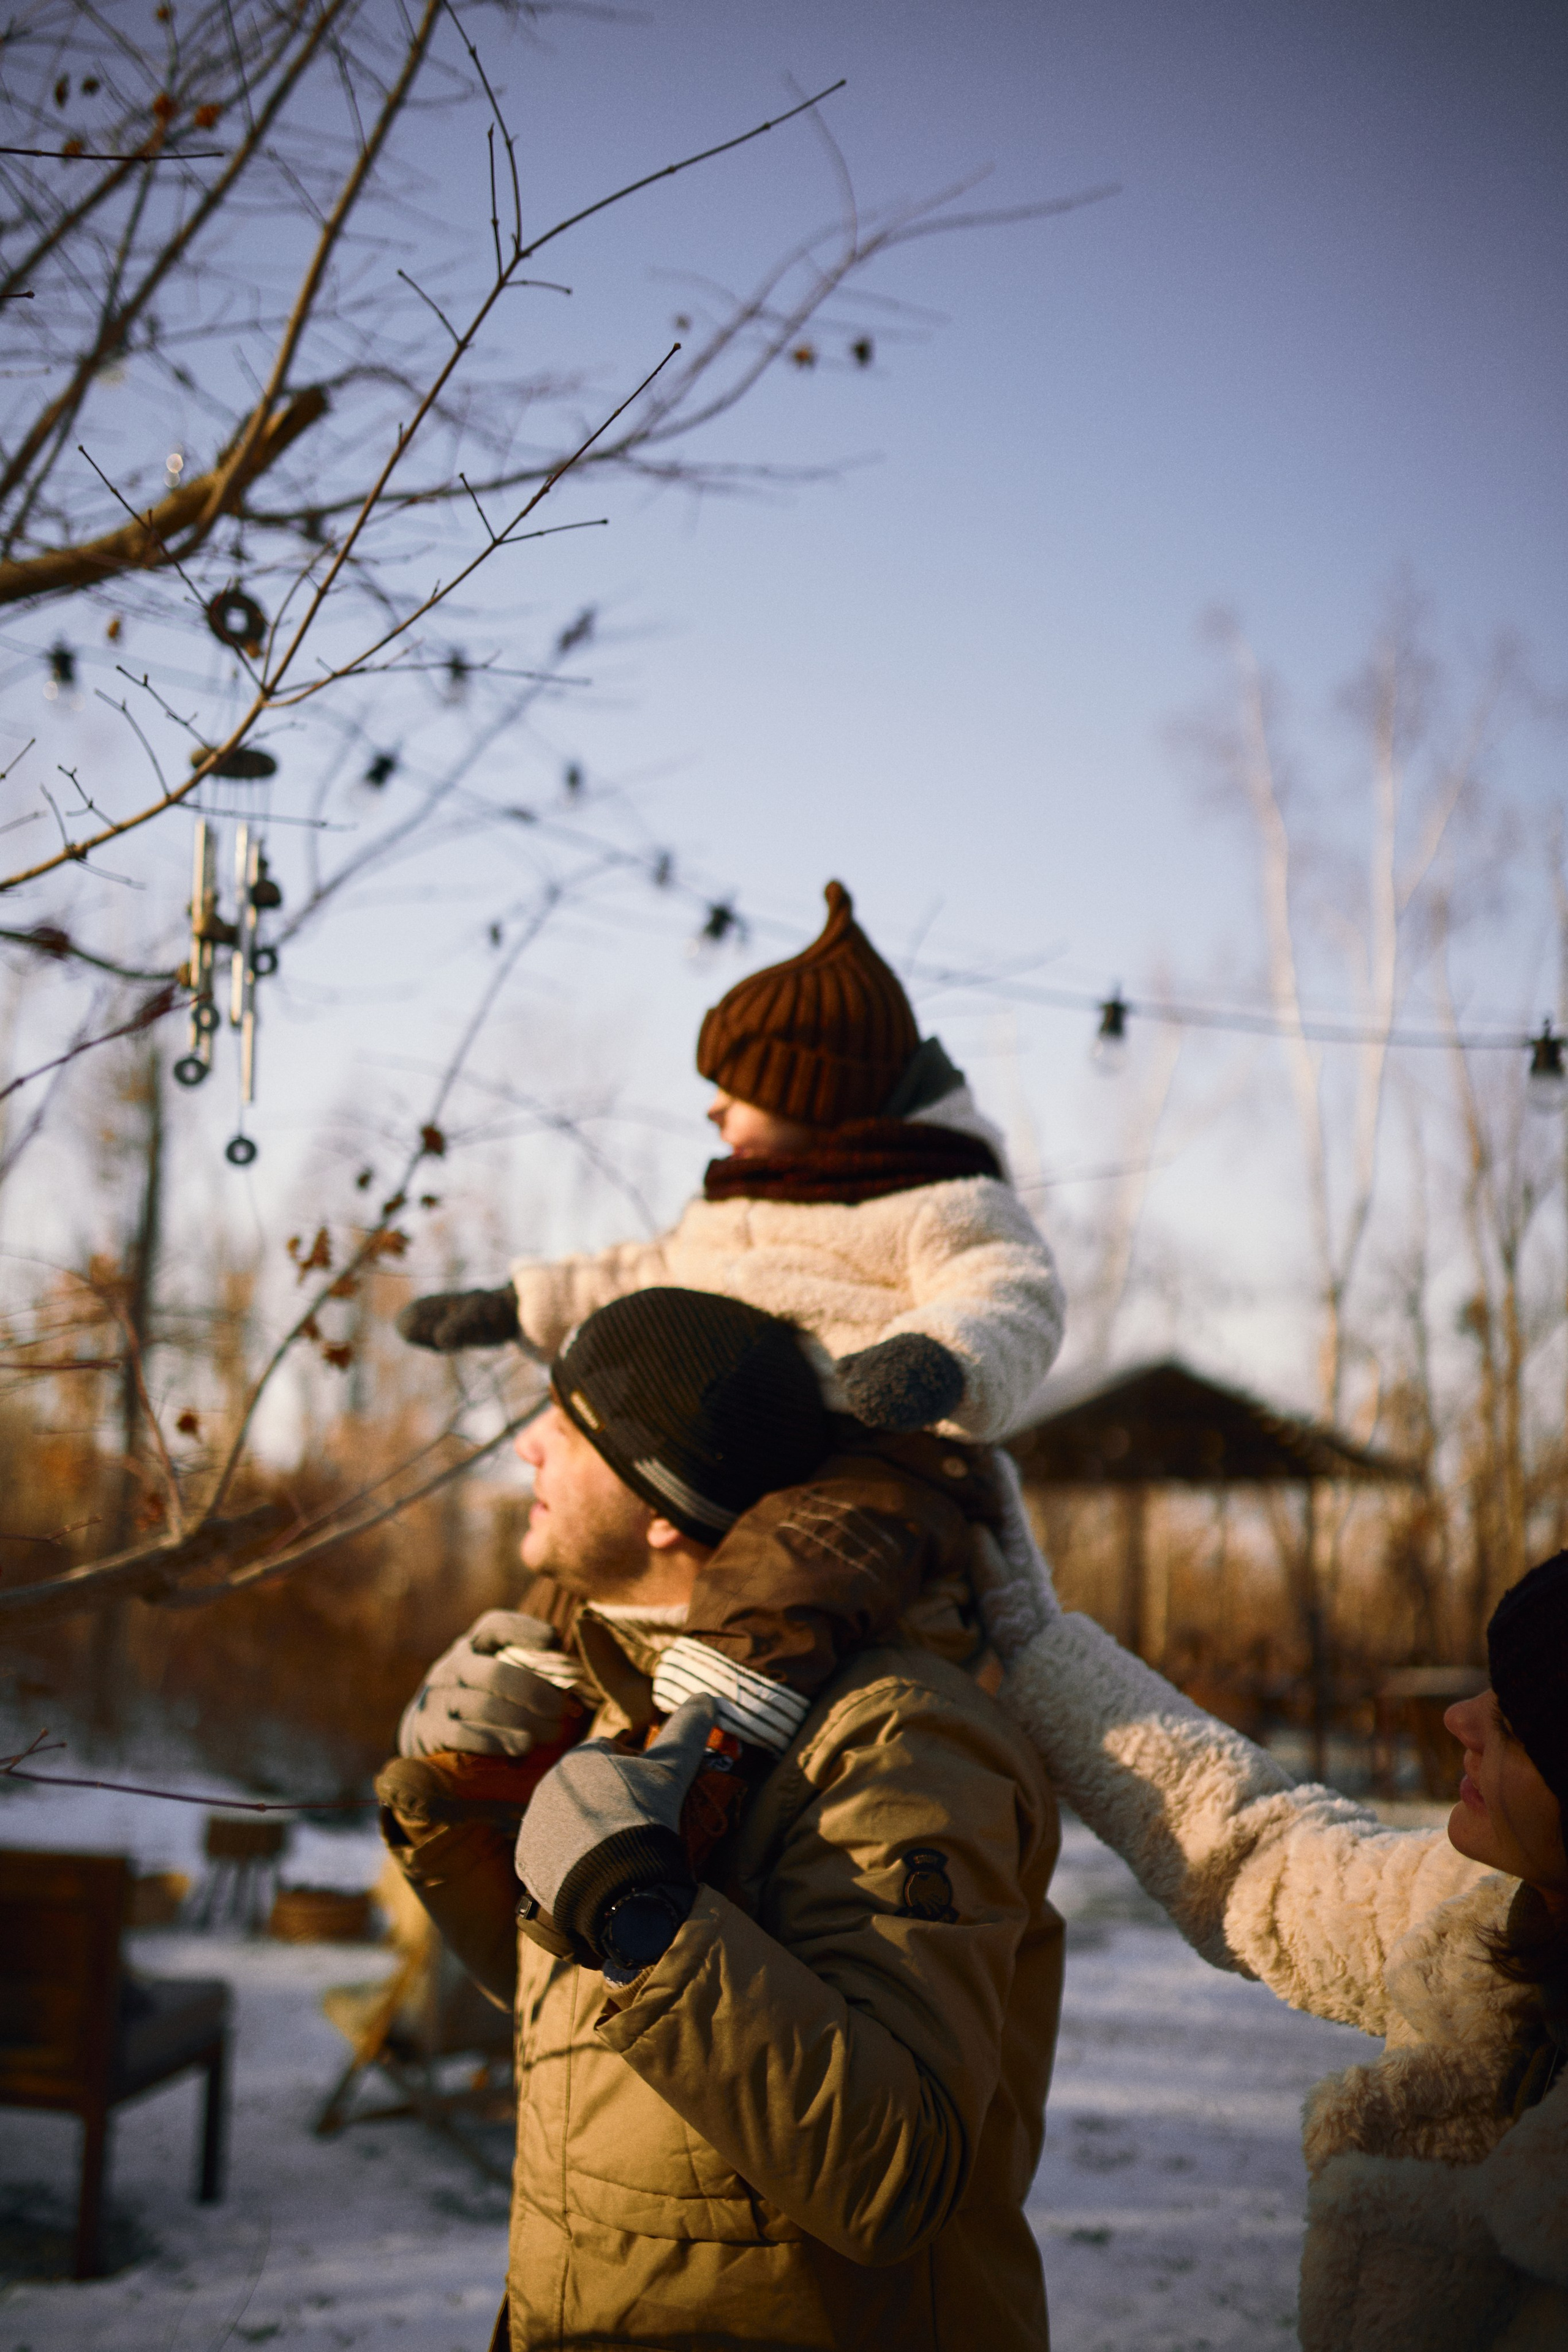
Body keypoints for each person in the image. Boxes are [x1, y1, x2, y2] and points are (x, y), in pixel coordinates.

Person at [377, 1286, 1064, 2352]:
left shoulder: (899, 1738)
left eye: (570, 1425)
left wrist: (642, 1913)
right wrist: (448, 1805)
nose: (528, 1449)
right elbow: (583, 2023)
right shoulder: (621, 1695)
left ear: (664, 1504)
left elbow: (897, 2171)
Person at [395, 879, 1065, 1789]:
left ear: (814, 1088)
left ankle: (710, 1737)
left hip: (881, 1463)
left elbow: (1010, 1296)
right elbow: (642, 1278)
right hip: (743, 1455)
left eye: (737, 1089)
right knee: (589, 1532)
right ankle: (525, 1692)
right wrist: (519, 1305)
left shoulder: (943, 1199)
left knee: (792, 1560)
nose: (713, 1110)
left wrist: (940, 1360)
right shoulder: (737, 1201)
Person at [973, 1532, 1568, 2352]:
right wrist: (1036, 1636)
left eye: (1516, 1726)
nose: (1458, 1719)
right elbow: (1262, 1854)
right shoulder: (1475, 1921)